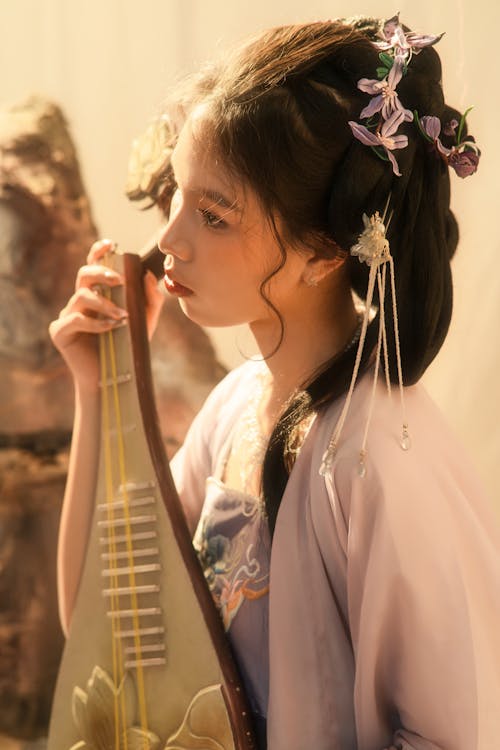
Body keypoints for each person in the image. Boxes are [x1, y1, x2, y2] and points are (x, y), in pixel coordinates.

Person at [49, 14, 499, 750]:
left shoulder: (375, 456)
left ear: (324, 251)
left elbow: (452, 733)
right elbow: (109, 646)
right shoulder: (235, 411)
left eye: (214, 215)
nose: (170, 238)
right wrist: (101, 389)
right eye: (177, 197)